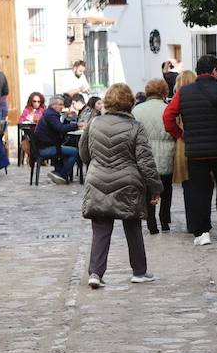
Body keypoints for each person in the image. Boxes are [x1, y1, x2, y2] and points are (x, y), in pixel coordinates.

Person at [162, 55, 217, 246]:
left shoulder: (184, 92)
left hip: (195, 151)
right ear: (213, 71)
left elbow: (168, 117)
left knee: (199, 191)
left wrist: (181, 135)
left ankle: (202, 232)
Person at [81, 83, 163, 288]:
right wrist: (155, 187)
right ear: (130, 102)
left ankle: (95, 273)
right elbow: (145, 161)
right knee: (133, 226)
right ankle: (139, 271)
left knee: (101, 228)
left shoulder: (94, 123)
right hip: (128, 182)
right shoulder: (135, 127)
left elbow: (83, 152)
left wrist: (96, 165)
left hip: (98, 179)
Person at [135, 78, 176, 234]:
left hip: (145, 155)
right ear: (165, 92)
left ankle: (151, 223)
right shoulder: (169, 108)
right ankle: (165, 220)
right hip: (167, 153)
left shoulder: (137, 110)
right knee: (167, 189)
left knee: (147, 189)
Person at [171, 70, 196, 233]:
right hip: (199, 142)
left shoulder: (176, 101)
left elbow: (169, 121)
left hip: (182, 145)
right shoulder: (199, 99)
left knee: (188, 186)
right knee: (202, 184)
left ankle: (191, 221)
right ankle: (202, 219)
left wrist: (179, 134)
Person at [35, 94, 79, 185]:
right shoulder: (51, 115)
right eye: (60, 104)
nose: (62, 107)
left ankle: (59, 172)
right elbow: (61, 129)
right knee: (75, 152)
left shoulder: (49, 113)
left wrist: (67, 119)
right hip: (46, 149)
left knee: (67, 149)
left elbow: (60, 129)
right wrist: (77, 125)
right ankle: (62, 175)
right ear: (53, 105)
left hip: (46, 146)